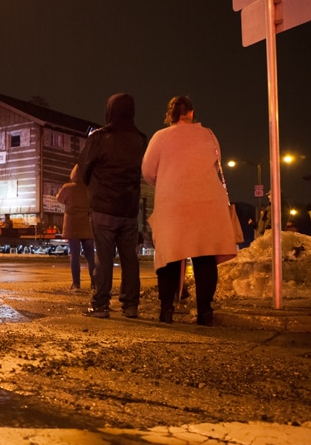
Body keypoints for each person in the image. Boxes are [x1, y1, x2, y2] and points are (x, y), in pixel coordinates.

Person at [141, 96, 237, 326]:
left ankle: (166, 311)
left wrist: (168, 180)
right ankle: (205, 312)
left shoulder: (160, 137)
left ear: (170, 115)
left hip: (173, 202)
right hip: (207, 201)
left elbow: (147, 171)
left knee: (170, 258)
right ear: (192, 113)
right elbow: (216, 163)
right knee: (204, 258)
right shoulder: (209, 135)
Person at [78, 93, 147, 318]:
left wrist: (95, 188)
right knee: (130, 258)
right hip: (128, 208)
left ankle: (100, 304)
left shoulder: (99, 137)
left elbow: (83, 171)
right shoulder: (140, 139)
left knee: (104, 258)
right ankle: (130, 305)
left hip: (103, 207)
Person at [55, 165, 95, 290]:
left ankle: (76, 284)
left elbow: (59, 199)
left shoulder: (68, 188)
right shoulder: (89, 188)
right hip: (87, 226)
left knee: (75, 256)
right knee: (90, 257)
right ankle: (95, 283)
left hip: (72, 226)